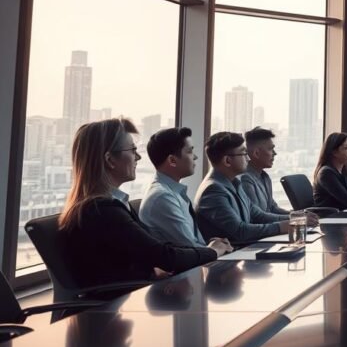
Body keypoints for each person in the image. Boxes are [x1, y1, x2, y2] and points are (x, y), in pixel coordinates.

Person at [58, 119, 231, 289]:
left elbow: (151, 251)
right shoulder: (102, 210)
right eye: (133, 150)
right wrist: (213, 251)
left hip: (128, 299)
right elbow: (165, 256)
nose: (139, 157)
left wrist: (152, 270)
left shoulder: (105, 206)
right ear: (110, 160)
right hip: (114, 308)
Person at [196, 132, 315, 245]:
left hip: (244, 249)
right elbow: (240, 231)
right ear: (227, 161)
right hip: (230, 255)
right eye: (243, 154)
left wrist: (297, 218)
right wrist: (283, 226)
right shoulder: (213, 190)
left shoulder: (233, 183)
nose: (248, 159)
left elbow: (259, 215)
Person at [140, 127, 231, 250]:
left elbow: (192, 243)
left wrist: (212, 243)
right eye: (190, 151)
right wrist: (216, 249)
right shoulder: (162, 197)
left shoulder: (172, 192)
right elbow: (191, 247)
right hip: (186, 268)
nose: (195, 157)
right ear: (172, 160)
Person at [239, 127, 289, 215]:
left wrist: (299, 216)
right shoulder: (245, 180)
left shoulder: (265, 177)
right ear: (256, 153)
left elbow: (273, 208)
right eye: (270, 149)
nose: (275, 153)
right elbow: (257, 217)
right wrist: (295, 219)